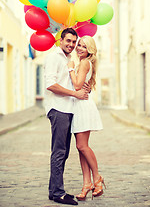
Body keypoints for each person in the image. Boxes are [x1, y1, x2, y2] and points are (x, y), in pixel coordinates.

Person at [44, 28, 90, 206]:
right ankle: (58, 193)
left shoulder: (69, 59)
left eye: (73, 42)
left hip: (68, 109)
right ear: (60, 40)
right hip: (58, 109)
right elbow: (51, 84)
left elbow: (71, 82)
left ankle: (53, 190)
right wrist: (74, 93)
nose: (71, 45)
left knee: (63, 153)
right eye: (68, 41)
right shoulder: (54, 57)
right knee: (59, 152)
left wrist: (82, 89)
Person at [67, 35, 106, 201]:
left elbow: (76, 85)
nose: (79, 48)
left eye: (83, 46)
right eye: (79, 45)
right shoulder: (85, 63)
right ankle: (86, 184)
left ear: (89, 49)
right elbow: (81, 85)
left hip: (82, 106)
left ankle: (97, 177)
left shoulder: (83, 62)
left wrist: (70, 69)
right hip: (79, 105)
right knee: (80, 147)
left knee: (82, 146)